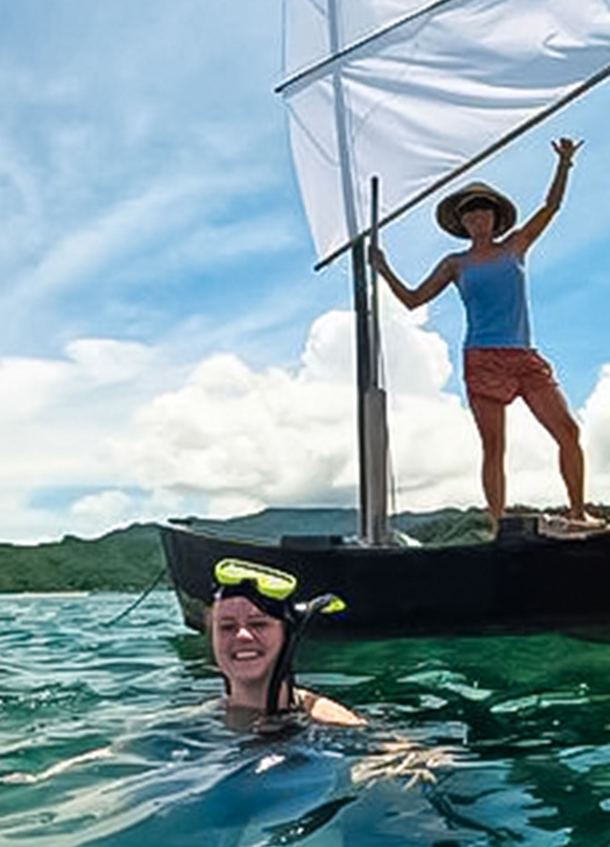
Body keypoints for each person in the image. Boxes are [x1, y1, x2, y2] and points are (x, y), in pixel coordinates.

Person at [372, 137, 588, 527]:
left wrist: (565, 163)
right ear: (462, 224)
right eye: (470, 215)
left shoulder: (515, 246)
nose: (477, 219)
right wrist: (384, 268)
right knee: (494, 446)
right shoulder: (456, 263)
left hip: (523, 356)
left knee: (568, 431)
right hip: (482, 358)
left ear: (494, 217)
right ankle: (497, 525)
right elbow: (412, 300)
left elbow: (551, 207)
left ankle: (578, 512)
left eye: (483, 212)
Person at [209, 558, 362, 728]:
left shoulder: (336, 723)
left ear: (287, 635)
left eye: (258, 624)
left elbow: (393, 749)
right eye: (227, 627)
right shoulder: (199, 718)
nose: (242, 635)